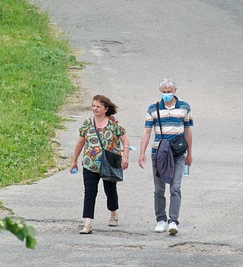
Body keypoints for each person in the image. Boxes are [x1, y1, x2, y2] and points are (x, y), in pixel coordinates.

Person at [139, 78, 193, 236]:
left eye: (169, 92)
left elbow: (188, 131)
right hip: (159, 154)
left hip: (177, 153)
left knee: (175, 187)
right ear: (159, 91)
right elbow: (147, 131)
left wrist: (189, 153)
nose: (166, 95)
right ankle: (160, 219)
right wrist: (142, 153)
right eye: (164, 92)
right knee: (159, 189)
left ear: (175, 90)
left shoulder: (184, 107)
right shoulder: (153, 109)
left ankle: (173, 221)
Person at [69, 95, 130, 234]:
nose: (95, 109)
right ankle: (87, 224)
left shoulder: (113, 123)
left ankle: (113, 213)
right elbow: (80, 143)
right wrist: (74, 161)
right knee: (90, 192)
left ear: (106, 109)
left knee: (110, 191)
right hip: (90, 164)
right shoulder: (87, 123)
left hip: (109, 164)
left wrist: (125, 158)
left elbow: (125, 141)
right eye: (93, 106)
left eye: (98, 106)